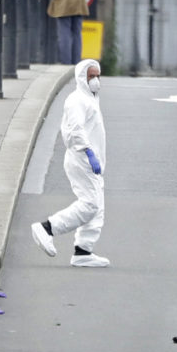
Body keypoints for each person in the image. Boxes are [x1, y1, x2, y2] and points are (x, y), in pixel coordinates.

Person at [30, 59, 109, 267]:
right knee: (90, 204)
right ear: (82, 77)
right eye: (91, 76)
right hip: (81, 158)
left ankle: (83, 251)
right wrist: (88, 151)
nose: (95, 81)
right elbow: (75, 129)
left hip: (91, 160)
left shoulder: (91, 99)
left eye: (97, 76)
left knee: (97, 206)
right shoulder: (77, 100)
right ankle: (47, 228)